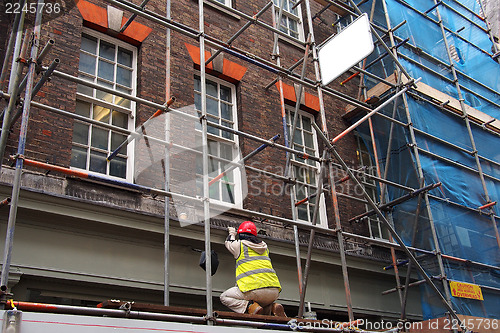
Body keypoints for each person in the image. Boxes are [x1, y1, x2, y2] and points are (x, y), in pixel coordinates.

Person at [220, 221, 286, 317]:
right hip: (274, 291)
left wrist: (232, 233)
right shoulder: (265, 248)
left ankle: (250, 306)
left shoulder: (240, 245)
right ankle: (273, 308)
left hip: (253, 289)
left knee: (224, 297)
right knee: (263, 306)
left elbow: (229, 242)